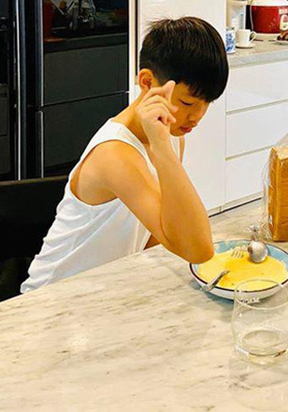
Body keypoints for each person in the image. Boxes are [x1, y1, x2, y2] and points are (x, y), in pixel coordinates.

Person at [21, 16, 228, 292]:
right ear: (147, 82)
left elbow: (161, 230)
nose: (198, 116)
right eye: (187, 102)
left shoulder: (170, 134)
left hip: (100, 290)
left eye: (207, 103)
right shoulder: (115, 153)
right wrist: (163, 149)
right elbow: (199, 249)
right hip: (51, 298)